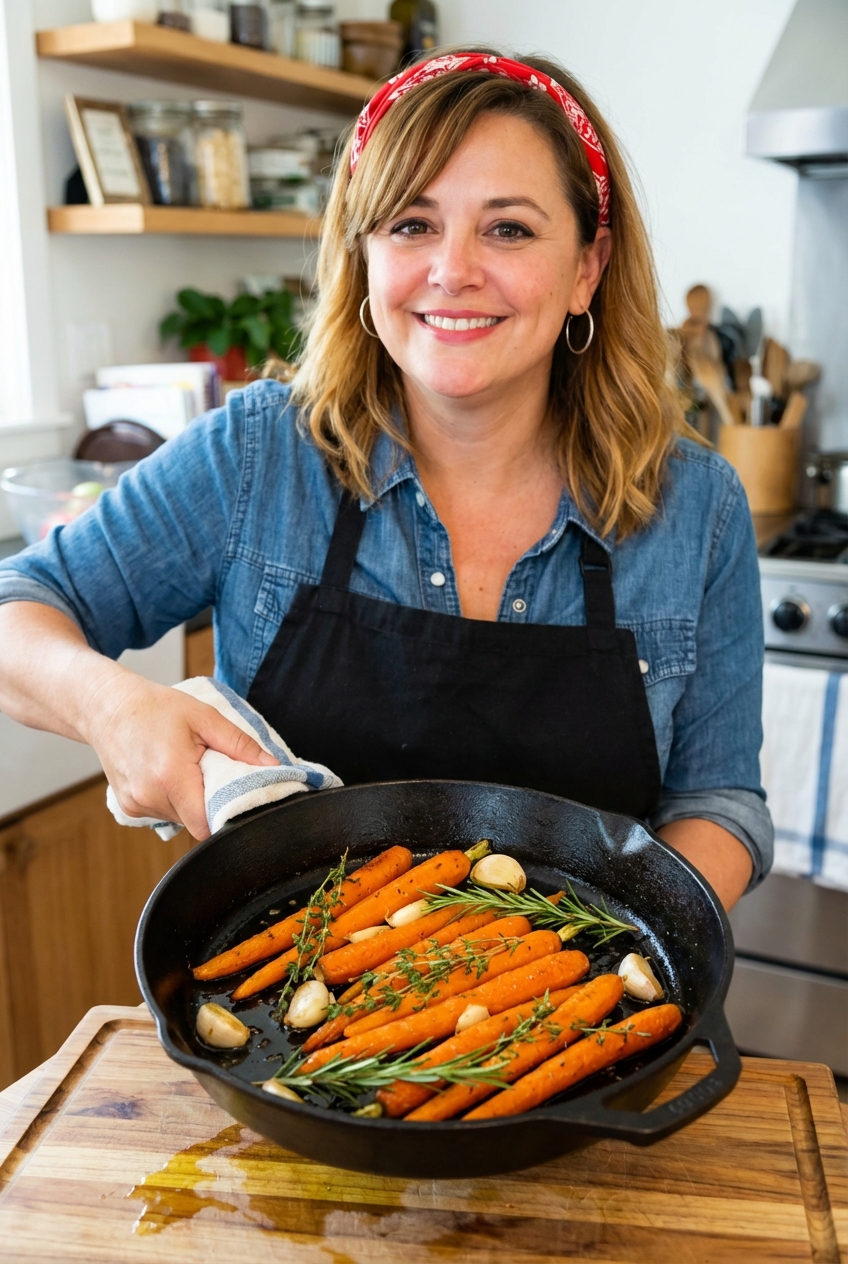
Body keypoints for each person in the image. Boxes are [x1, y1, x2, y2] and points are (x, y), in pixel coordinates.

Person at [0, 50, 771, 910]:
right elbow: (17, 607)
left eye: (508, 228)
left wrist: (605, 958)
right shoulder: (258, 456)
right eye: (411, 224)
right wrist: (112, 709)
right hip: (282, 1020)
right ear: (363, 254)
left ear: (587, 267)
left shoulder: (696, 505)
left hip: (584, 1018)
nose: (453, 270)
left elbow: (719, 803)